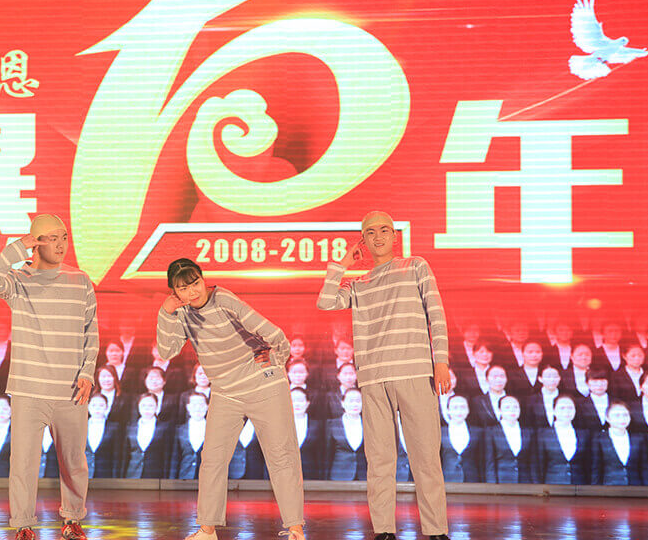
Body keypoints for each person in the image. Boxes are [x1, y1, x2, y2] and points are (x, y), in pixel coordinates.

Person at [317, 211, 450, 540]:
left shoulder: (415, 266)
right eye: (370, 232)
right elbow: (325, 302)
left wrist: (441, 361)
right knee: (379, 459)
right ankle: (384, 530)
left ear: (394, 235)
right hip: (373, 377)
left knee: (425, 456)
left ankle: (436, 530)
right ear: (363, 240)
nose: (378, 237)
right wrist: (343, 264)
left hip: (414, 370)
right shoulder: (359, 284)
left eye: (384, 230)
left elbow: (435, 313)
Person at [157, 258, 305, 540]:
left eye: (196, 283)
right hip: (225, 392)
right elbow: (167, 351)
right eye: (183, 288)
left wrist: (276, 362)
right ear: (174, 291)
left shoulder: (223, 299)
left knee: (281, 456)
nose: (193, 291)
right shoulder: (182, 313)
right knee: (212, 459)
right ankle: (207, 530)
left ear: (203, 279)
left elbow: (274, 333)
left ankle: (295, 529)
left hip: (263, 385)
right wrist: (166, 312)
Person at [0, 214, 98, 540]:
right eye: (52, 238)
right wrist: (17, 248)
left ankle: (72, 519)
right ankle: (23, 525)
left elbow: (91, 331)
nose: (60, 244)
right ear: (36, 242)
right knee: (23, 463)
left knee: (74, 461)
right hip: (28, 388)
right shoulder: (18, 281)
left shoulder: (80, 281)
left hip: (70, 389)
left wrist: (88, 372)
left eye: (64, 237)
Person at [484, 396, 534, 484]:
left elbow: (533, 461)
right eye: (507, 407)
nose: (512, 410)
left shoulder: (528, 431)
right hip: (502, 481)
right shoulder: (492, 431)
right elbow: (489, 463)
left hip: (525, 482)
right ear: (500, 410)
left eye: (515, 407)